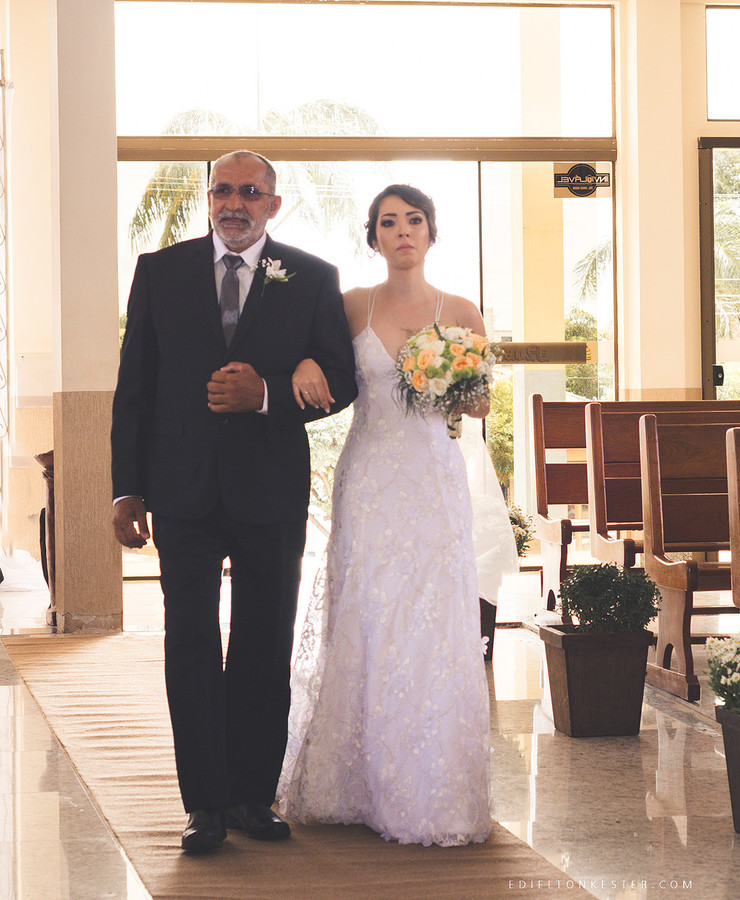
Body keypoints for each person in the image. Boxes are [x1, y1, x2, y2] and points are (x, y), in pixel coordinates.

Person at [110, 151, 358, 853]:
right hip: (181, 490)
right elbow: (136, 385)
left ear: (273, 205)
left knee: (263, 642)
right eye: (223, 189)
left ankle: (253, 796)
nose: (234, 202)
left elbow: (341, 379)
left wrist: (270, 393)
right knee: (189, 642)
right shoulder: (159, 271)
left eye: (250, 192)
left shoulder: (312, 276)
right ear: (208, 197)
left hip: (269, 489)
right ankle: (205, 805)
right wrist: (127, 487)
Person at [276, 184, 492, 846]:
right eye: (388, 222)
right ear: (372, 238)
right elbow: (305, 353)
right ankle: (351, 785)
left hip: (434, 482)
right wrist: (305, 359)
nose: (402, 231)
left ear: (431, 232)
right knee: (366, 613)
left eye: (414, 220)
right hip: (369, 477)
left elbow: (481, 405)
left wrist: (451, 381)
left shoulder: (460, 310)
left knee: (430, 619)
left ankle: (429, 788)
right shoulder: (350, 305)